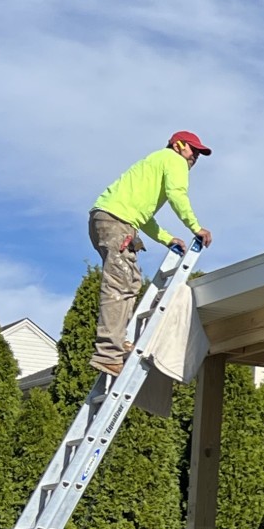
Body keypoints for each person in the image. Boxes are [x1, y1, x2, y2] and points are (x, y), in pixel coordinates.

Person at [87, 132, 213, 376]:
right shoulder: (173, 160)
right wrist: (195, 228)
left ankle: (116, 340)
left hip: (113, 220)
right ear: (178, 145)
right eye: (192, 150)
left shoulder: (155, 163)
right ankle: (108, 353)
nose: (195, 157)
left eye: (198, 153)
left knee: (130, 281)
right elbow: (178, 194)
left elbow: (143, 217)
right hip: (116, 222)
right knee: (120, 283)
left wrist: (167, 239)